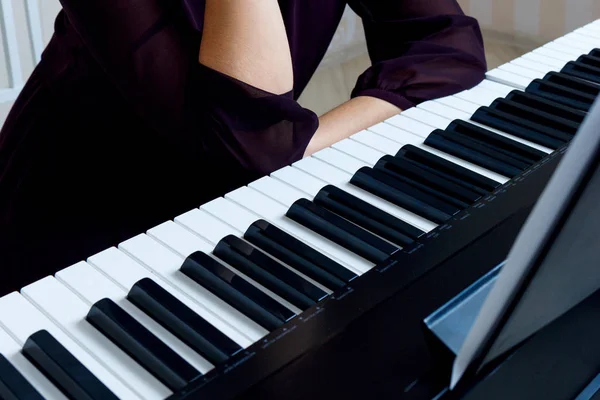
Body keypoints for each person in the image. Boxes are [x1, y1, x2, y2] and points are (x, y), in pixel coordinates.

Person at [0, 0, 487, 295]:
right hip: (81, 206)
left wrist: (307, 147)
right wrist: (279, 152)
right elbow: (249, 149)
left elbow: (447, 44)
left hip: (234, 195)